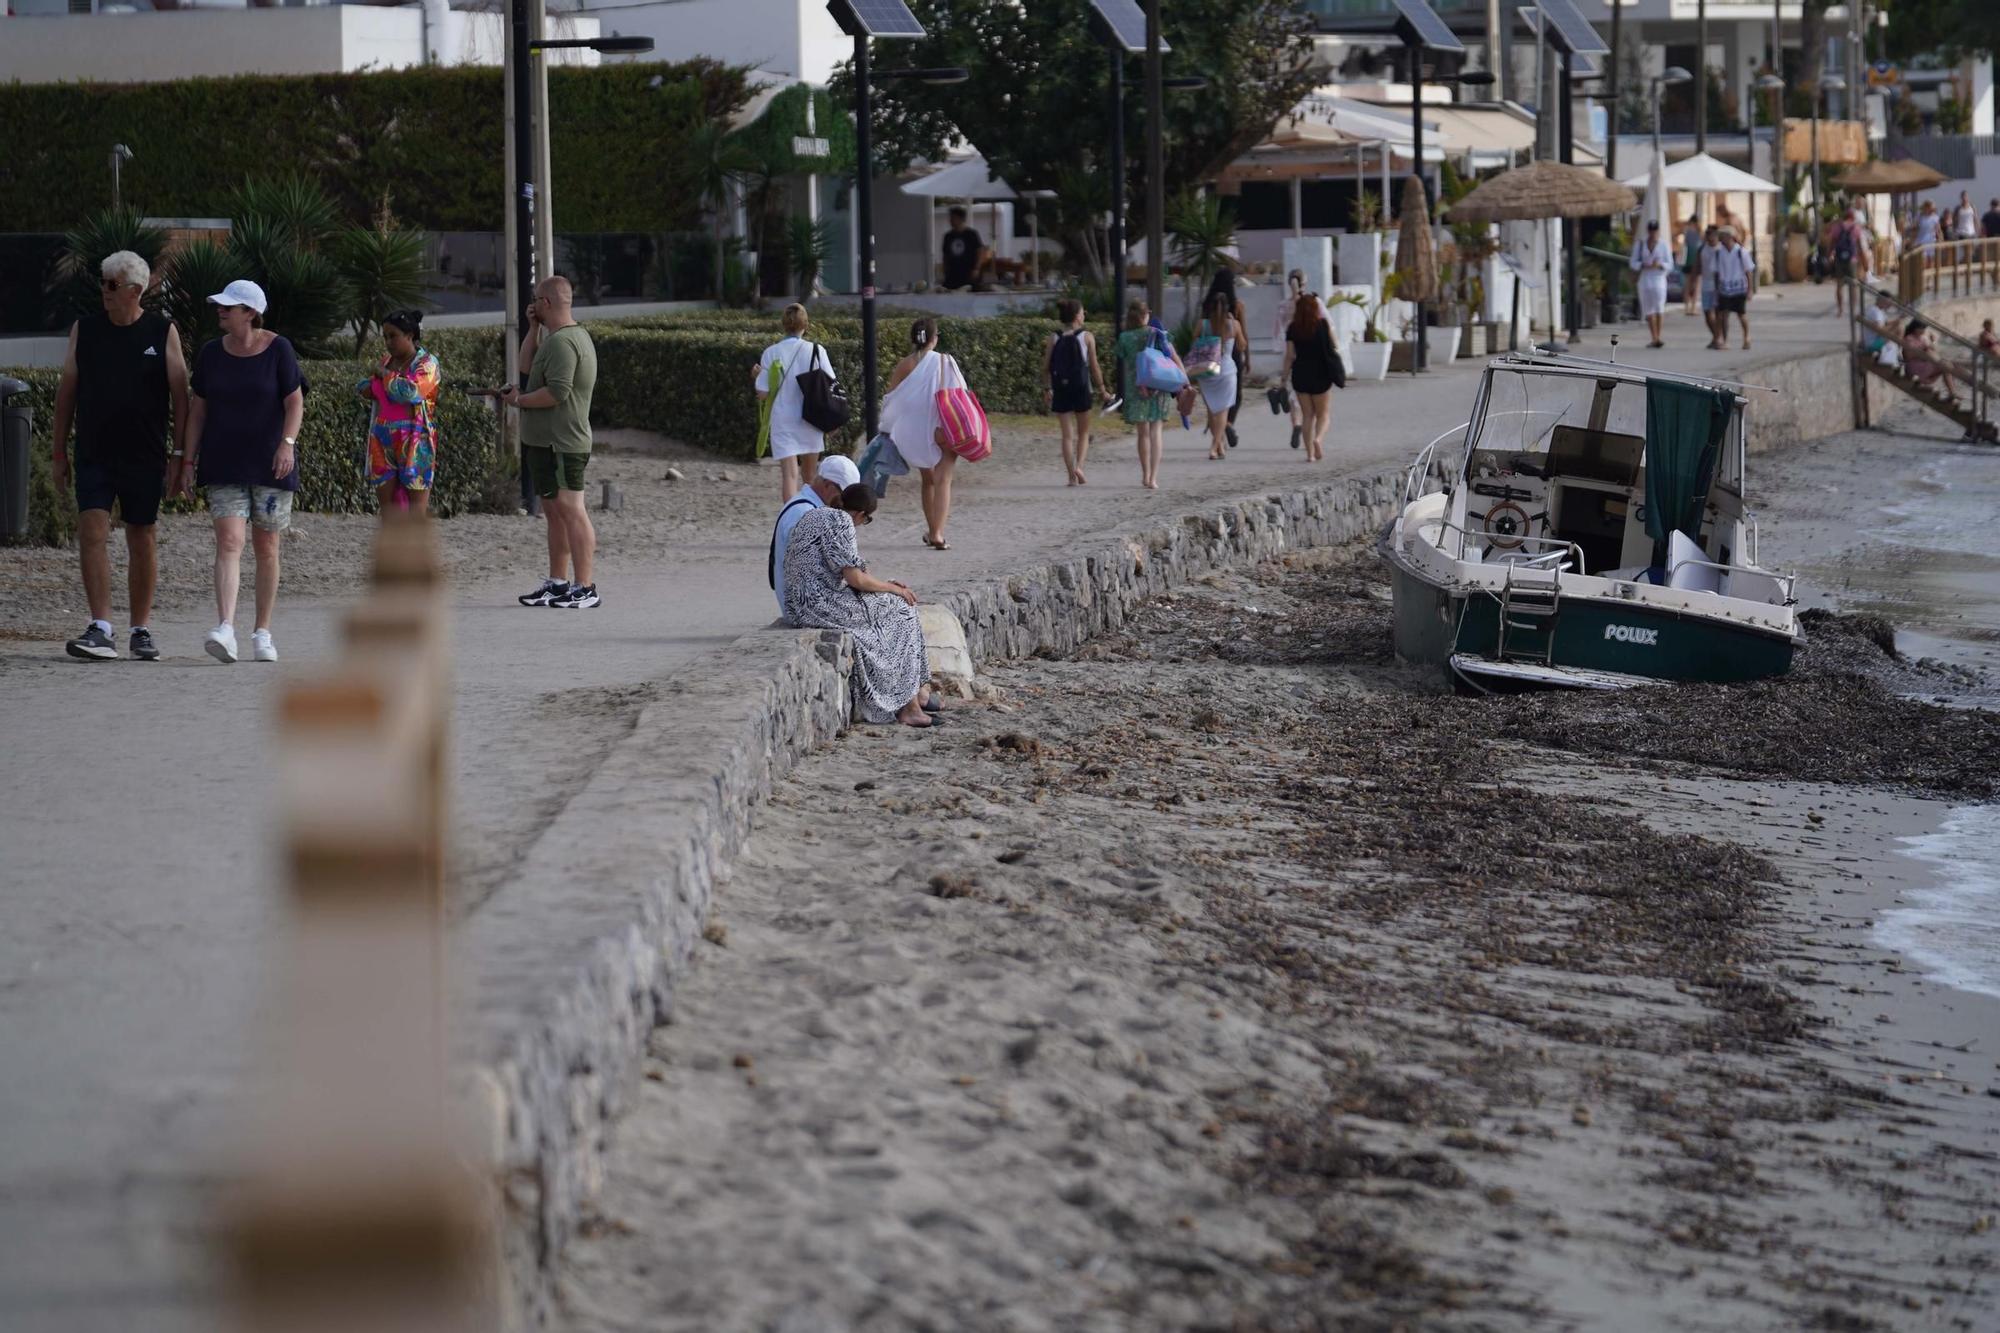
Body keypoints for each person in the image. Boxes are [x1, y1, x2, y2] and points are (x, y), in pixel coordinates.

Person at [50, 250, 188, 662]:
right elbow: (66, 393)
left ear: (135, 290)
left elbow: (181, 397)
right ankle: (101, 627)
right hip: (94, 451)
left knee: (141, 536)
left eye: (111, 284)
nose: (104, 291)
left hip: (144, 455)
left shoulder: (163, 331)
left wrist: (179, 455)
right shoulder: (85, 330)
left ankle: (140, 629)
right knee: (91, 531)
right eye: (103, 283)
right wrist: (59, 451)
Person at [183, 279, 303, 664]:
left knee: (266, 547)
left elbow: (294, 402)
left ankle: (262, 632)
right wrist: (187, 459)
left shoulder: (279, 349)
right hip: (223, 462)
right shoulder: (210, 354)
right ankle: (225, 628)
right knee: (229, 542)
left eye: (229, 306)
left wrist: (287, 444)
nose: (221, 310)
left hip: (271, 463)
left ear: (249, 313)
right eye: (220, 305)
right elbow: (197, 409)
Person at [781, 484, 938, 728]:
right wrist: (895, 589)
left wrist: (884, 585)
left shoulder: (817, 513)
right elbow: (856, 579)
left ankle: (914, 694)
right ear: (862, 515)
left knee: (893, 604)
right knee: (903, 609)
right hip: (818, 605)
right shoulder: (842, 521)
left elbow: (852, 571)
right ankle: (910, 705)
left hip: (799, 603)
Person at [507, 275, 601, 609]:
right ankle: (559, 582)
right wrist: (533, 329)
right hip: (545, 442)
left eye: (535, 300)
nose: (531, 306)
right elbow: (525, 367)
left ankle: (586, 586)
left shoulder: (565, 342)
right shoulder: (554, 338)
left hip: (564, 442)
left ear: (547, 302)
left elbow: (557, 392)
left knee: (572, 510)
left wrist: (519, 401)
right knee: (554, 512)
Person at [882, 318, 964, 549]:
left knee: (928, 481)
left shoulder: (904, 365)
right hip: (943, 428)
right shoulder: (945, 362)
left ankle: (931, 530)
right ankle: (938, 533)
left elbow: (890, 400)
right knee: (944, 480)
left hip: (916, 431)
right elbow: (960, 394)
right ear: (934, 338)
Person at [357, 308, 440, 518]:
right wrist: (372, 383)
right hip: (382, 438)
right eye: (385, 336)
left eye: (393, 336)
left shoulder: (427, 363)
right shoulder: (387, 361)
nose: (388, 342)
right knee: (388, 509)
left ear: (410, 335)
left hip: (415, 439)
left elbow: (411, 392)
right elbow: (366, 387)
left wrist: (383, 376)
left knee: (416, 510)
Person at [753, 302, 832, 501]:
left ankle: (791, 519)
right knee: (810, 476)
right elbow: (830, 383)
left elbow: (762, 393)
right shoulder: (816, 350)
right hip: (811, 417)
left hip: (783, 419)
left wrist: (756, 376)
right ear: (805, 325)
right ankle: (812, 518)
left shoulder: (771, 353)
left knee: (790, 475)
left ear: (784, 325)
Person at [768, 453, 860, 618]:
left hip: (804, 601)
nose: (846, 502)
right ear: (828, 486)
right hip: (804, 608)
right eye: (845, 495)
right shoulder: (805, 513)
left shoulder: (803, 505)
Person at [1041, 298, 1108, 485]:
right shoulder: (1087, 337)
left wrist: (1047, 388)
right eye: (1083, 312)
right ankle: (1079, 466)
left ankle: (1071, 476)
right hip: (1081, 387)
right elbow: (1094, 367)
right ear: (1078, 316)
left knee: (1067, 435)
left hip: (1061, 388)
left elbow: (1045, 366)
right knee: (1083, 433)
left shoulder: (1054, 337)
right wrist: (1102, 389)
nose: (1084, 314)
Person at [1115, 299, 1176, 490]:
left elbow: (1121, 356)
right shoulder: (1156, 334)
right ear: (1144, 315)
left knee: (1142, 434)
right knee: (1156, 432)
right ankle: (1154, 478)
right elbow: (1169, 352)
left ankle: (1145, 474)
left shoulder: (1125, 337)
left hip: (1137, 386)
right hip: (1157, 385)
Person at [1280, 290, 1338, 463]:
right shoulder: (1323, 324)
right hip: (1321, 373)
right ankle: (1318, 439)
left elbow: (1290, 355)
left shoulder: (1293, 328)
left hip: (1301, 373)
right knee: (1323, 414)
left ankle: (1309, 454)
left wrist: (1284, 378)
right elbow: (1334, 344)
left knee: (1307, 415)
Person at [1193, 290, 1244, 461]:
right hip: (1227, 370)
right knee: (1223, 411)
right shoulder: (1233, 325)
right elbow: (1242, 346)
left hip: (1207, 370)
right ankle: (1214, 447)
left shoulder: (1202, 324)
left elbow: (1194, 344)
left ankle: (1220, 446)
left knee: (1212, 410)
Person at [1204, 269, 1252, 448]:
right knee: (1235, 395)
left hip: (1209, 355)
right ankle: (1228, 424)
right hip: (1231, 355)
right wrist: (1248, 358)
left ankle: (1218, 440)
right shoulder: (1237, 305)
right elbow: (1244, 334)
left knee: (1211, 398)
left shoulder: (1207, 305)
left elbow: (1200, 330)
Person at [1273, 270, 1314, 448]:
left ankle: (1296, 424)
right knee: (1308, 394)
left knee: (1292, 392)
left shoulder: (1284, 305)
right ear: (1305, 283)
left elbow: (1278, 329)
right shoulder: (1310, 303)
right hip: (1309, 350)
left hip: (1288, 349)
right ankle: (1308, 432)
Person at [1709, 227, 1757, 351]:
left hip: (1739, 288)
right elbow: (1716, 273)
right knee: (1722, 315)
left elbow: (1748, 272)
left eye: (1723, 237)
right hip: (1725, 288)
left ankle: (1746, 337)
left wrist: (1750, 289)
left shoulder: (1741, 252)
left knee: (1741, 314)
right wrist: (1716, 289)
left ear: (1730, 237)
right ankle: (1723, 340)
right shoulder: (1719, 253)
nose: (1721, 240)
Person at [1629, 219, 1673, 348]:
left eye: (1655, 230)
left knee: (1659, 307)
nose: (1653, 233)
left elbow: (1670, 264)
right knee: (1648, 309)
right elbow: (1633, 262)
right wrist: (1643, 264)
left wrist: (1660, 265)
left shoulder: (1663, 245)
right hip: (1645, 278)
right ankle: (1653, 337)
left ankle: (1658, 336)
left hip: (1658, 278)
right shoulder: (1641, 244)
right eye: (1651, 230)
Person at [1901, 319, 1960, 404]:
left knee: (1947, 365)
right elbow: (1907, 357)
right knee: (1945, 365)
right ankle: (1952, 393)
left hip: (1926, 365)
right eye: (1921, 328)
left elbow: (1934, 351)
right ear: (1915, 328)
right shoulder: (1909, 339)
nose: (1923, 331)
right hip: (1915, 366)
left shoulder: (1923, 338)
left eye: (1924, 328)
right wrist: (1922, 352)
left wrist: (1933, 342)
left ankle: (1952, 393)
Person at [1826, 210, 1869, 314]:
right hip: (1852, 260)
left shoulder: (1836, 227)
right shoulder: (1856, 228)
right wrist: (1865, 263)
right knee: (1853, 286)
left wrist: (1829, 257)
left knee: (1839, 285)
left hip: (1839, 259)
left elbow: (1831, 244)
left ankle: (1840, 309)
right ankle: (1853, 310)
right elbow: (1860, 248)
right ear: (1853, 217)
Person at [940, 206, 984, 291]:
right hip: (952, 274)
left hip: (968, 272)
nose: (951, 220)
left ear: (960, 219)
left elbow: (980, 251)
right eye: (951, 218)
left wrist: (976, 268)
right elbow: (945, 254)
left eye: (953, 218)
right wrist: (945, 270)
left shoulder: (971, 234)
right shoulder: (948, 236)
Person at [1679, 215, 1705, 316]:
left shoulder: (1687, 230)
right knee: (1696, 285)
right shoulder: (1699, 232)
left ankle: (1687, 308)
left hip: (1688, 260)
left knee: (1688, 285)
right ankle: (1693, 307)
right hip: (1696, 261)